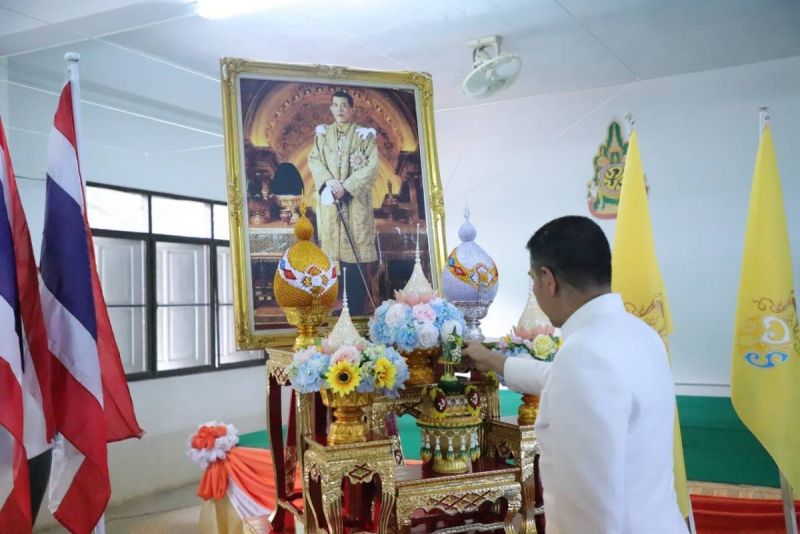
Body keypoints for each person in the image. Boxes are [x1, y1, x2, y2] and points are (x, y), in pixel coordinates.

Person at [463, 216, 686, 534]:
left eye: (533, 280)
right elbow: (557, 377)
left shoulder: (584, 355)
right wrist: (494, 361)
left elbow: (589, 509)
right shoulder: (641, 335)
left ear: (548, 279)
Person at [308, 90, 378, 315]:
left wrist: (346, 187)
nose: (339, 109)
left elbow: (372, 167)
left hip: (354, 204)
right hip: (331, 203)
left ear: (352, 109)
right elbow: (314, 159)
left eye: (344, 105)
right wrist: (329, 182)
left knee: (353, 258)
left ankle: (356, 309)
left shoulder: (364, 136)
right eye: (335, 105)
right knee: (334, 258)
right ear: (331, 109)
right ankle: (337, 307)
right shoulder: (322, 135)